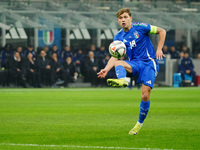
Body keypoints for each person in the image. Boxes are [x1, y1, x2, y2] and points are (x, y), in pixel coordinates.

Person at [97, 8, 166, 135]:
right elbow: (115, 56)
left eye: (125, 17)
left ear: (130, 18)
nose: (123, 19)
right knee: (118, 63)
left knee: (145, 95)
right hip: (134, 63)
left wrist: (159, 49)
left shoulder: (141, 27)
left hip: (149, 63)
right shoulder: (118, 36)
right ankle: (123, 80)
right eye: (120, 18)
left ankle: (139, 124)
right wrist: (106, 69)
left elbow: (162, 31)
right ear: (118, 21)